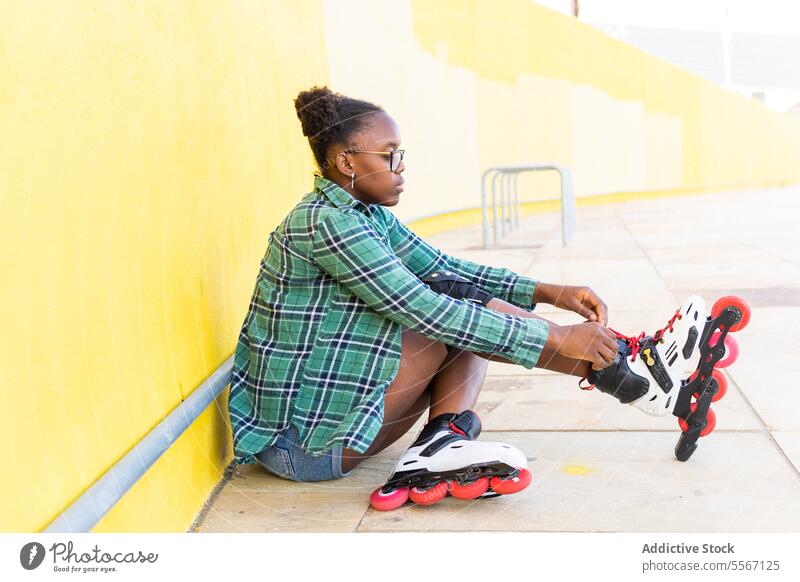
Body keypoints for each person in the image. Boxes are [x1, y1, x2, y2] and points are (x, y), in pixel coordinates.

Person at [227, 85, 619, 488]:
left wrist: (549, 291)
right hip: (300, 447)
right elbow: (422, 308)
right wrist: (557, 334)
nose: (400, 167)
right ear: (346, 162)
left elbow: (445, 267)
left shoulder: (367, 216)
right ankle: (616, 367)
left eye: (401, 155)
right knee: (451, 315)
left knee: (460, 299)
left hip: (332, 427)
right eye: (389, 154)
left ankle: (444, 442)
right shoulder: (326, 222)